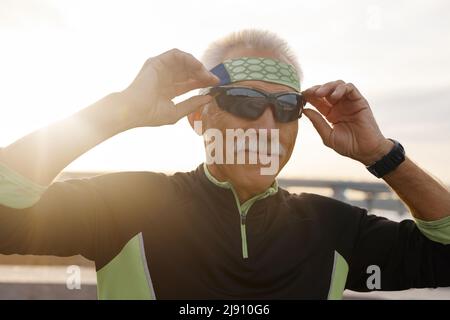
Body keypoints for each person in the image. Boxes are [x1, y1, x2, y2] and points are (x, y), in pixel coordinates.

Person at [0, 29, 449, 300]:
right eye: (245, 101)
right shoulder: (128, 204)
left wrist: (381, 155)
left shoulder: (333, 227)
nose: (268, 124)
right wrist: (116, 111)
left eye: (287, 107)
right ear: (198, 116)